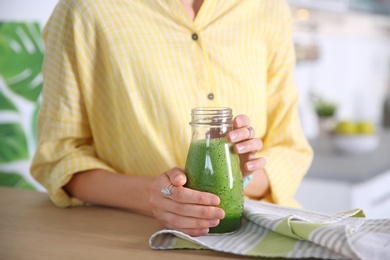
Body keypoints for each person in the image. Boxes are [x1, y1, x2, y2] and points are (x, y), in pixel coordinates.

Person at [31, 0, 313, 237]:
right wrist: (151, 196)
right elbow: (60, 157)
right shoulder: (85, 10)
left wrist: (240, 177)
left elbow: (289, 148)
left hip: (256, 232)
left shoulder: (268, 8)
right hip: (138, 235)